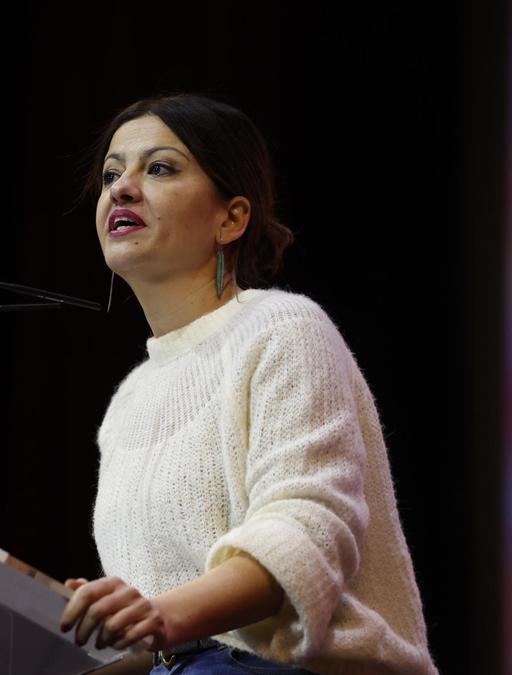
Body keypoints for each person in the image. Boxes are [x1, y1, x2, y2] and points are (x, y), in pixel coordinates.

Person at [58, 94, 437, 674]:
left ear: (231, 218)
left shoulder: (283, 329)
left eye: (159, 168)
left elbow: (305, 532)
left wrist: (162, 617)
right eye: (112, 173)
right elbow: (156, 643)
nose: (122, 189)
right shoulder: (128, 402)